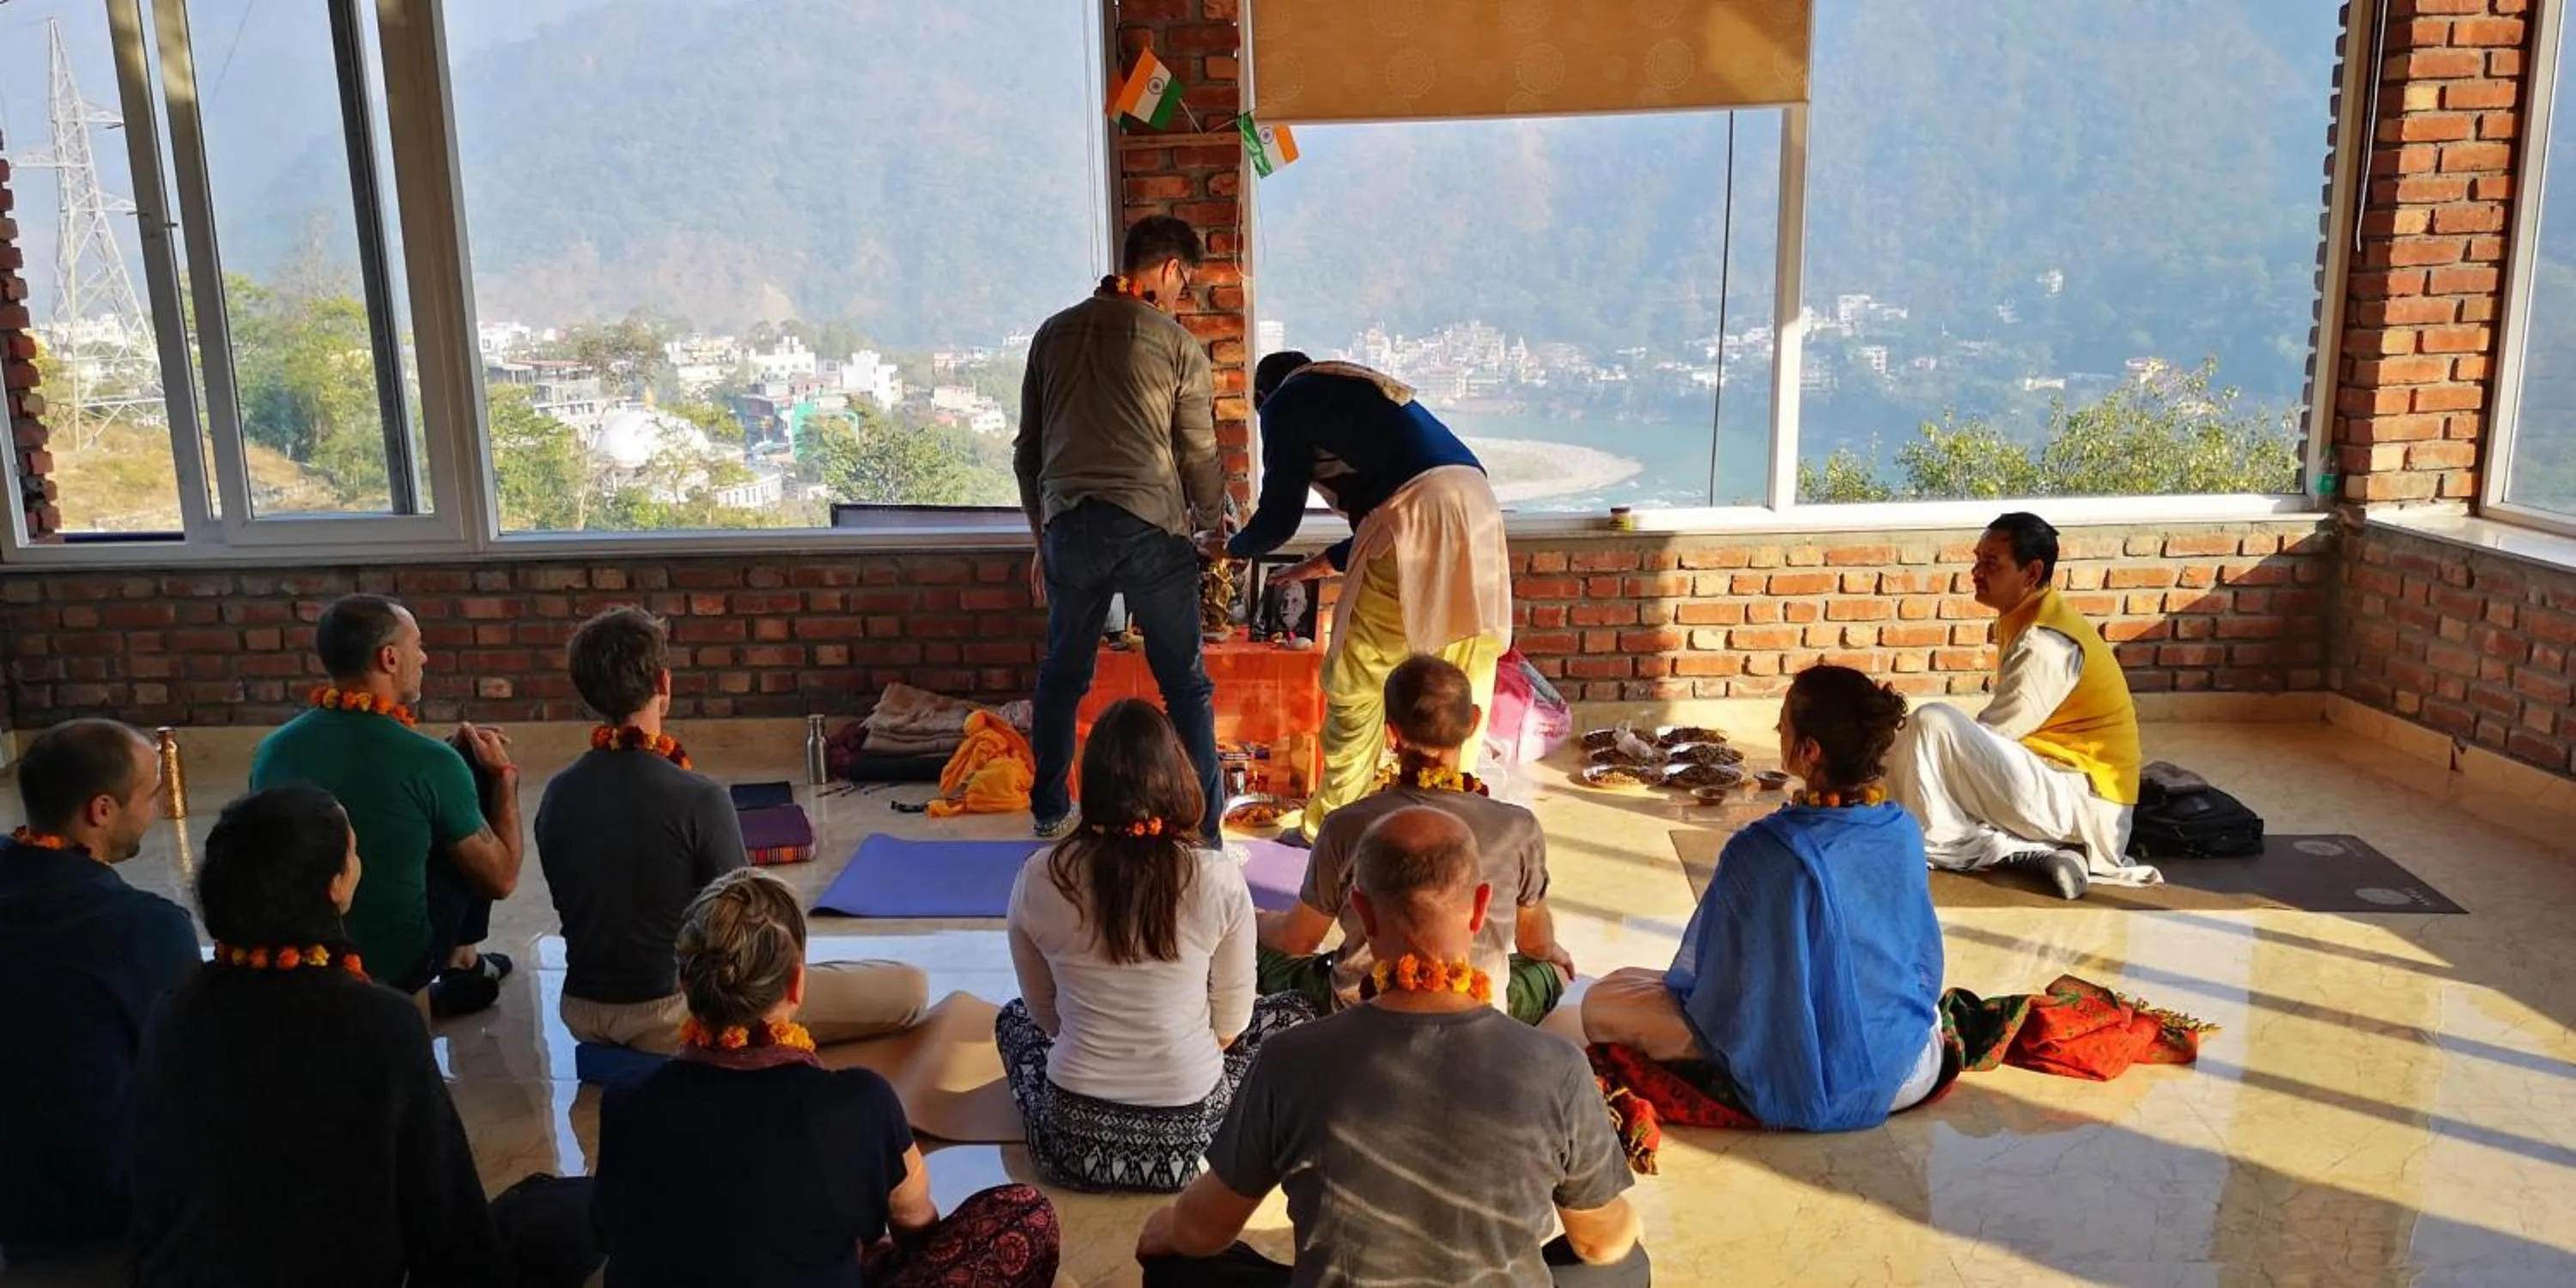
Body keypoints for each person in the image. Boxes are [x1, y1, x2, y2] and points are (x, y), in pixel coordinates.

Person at [1135, 807, 1650, 1288]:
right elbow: (1601, 1244)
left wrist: (1167, 1233)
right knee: (1628, 1262)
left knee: (1176, 1263)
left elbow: (1203, 1233)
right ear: (1478, 909)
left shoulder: (1290, 1058)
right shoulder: (1557, 1067)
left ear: (1360, 912)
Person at [593, 868, 1061, 1287]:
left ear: (684, 988)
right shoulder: (859, 1102)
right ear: (797, 984)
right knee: (1025, 1213)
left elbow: (607, 1230)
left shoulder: (627, 1099)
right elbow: (915, 1226)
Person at [129, 786, 520, 1286]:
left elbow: (153, 1186)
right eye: (353, 853)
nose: (358, 863)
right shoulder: (380, 1023)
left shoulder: (175, 1008)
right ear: (335, 885)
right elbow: (444, 1215)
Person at [539, 606, 926, 1052]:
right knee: (907, 987)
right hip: (676, 1012)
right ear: (664, 683)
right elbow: (749, 927)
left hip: (581, 1013)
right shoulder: (697, 796)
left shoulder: (557, 792)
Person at [1587, 665, 1947, 1133]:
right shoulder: (1901, 829)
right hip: (1911, 1067)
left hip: (1813, 1078)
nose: (1778, 732)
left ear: (1810, 751)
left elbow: (1721, 985)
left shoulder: (1762, 849)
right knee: (1918, 1009)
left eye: (1785, 726)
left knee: (1604, 998)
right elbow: (1919, 957)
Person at [998, 699, 1314, 1193]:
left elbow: (1046, 1017)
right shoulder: (1216, 877)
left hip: (1072, 1146)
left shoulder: (1041, 876)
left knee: (1012, 1018)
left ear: (1091, 785)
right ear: (1177, 776)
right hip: (1196, 1147)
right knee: (1293, 1015)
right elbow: (1232, 1026)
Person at [1230, 351, 1513, 842]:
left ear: (1261, 398)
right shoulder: (1352, 392)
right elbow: (1411, 482)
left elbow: (1278, 518)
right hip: (1480, 509)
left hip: (1412, 516)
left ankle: (1333, 826)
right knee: (1458, 670)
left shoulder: (1284, 400)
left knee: (1356, 678)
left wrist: (1228, 549)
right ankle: (1452, 815)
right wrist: (1325, 561)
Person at [1018, 215, 1227, 844]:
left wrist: (1041, 538)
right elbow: (1198, 455)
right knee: (1184, 683)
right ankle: (1207, 830)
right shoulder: (1175, 344)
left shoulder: (1052, 334)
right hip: (1148, 529)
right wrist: (1214, 526)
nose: (1181, 297)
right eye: (1184, 283)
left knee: (1063, 672)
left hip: (1070, 527)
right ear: (1167, 270)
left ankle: (1051, 809)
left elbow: (1028, 452)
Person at [1256, 654, 1572, 1024]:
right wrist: (1552, 952)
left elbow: (1298, 940)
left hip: (1364, 1011)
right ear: (1473, 722)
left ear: (1391, 734)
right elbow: (1535, 944)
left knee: (1257, 953)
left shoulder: (1345, 825)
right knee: (1548, 970)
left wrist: (1253, 920)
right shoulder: (1518, 827)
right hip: (1477, 1011)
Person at [250, 594, 524, 1015]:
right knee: (472, 772)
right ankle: (454, 964)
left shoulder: (272, 748)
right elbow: (502, 879)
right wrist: (503, 778)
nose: (426, 657)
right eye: (419, 645)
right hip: (398, 962)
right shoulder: (433, 763)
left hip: (300, 955)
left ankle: (452, 973)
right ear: (390, 658)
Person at [0, 721, 197, 1273]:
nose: (157, 808)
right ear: (102, 811)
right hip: (94, 1213)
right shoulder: (142, 928)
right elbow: (187, 1073)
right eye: (152, 793)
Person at [1886, 513, 2160, 900]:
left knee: (1932, 725)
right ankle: (2031, 852)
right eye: (1977, 560)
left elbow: (1994, 735)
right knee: (1921, 756)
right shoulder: (2025, 616)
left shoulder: (2046, 642)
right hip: (2056, 784)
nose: (1976, 573)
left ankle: (1998, 849)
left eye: (1991, 564)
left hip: (2084, 804)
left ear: (2031, 573)